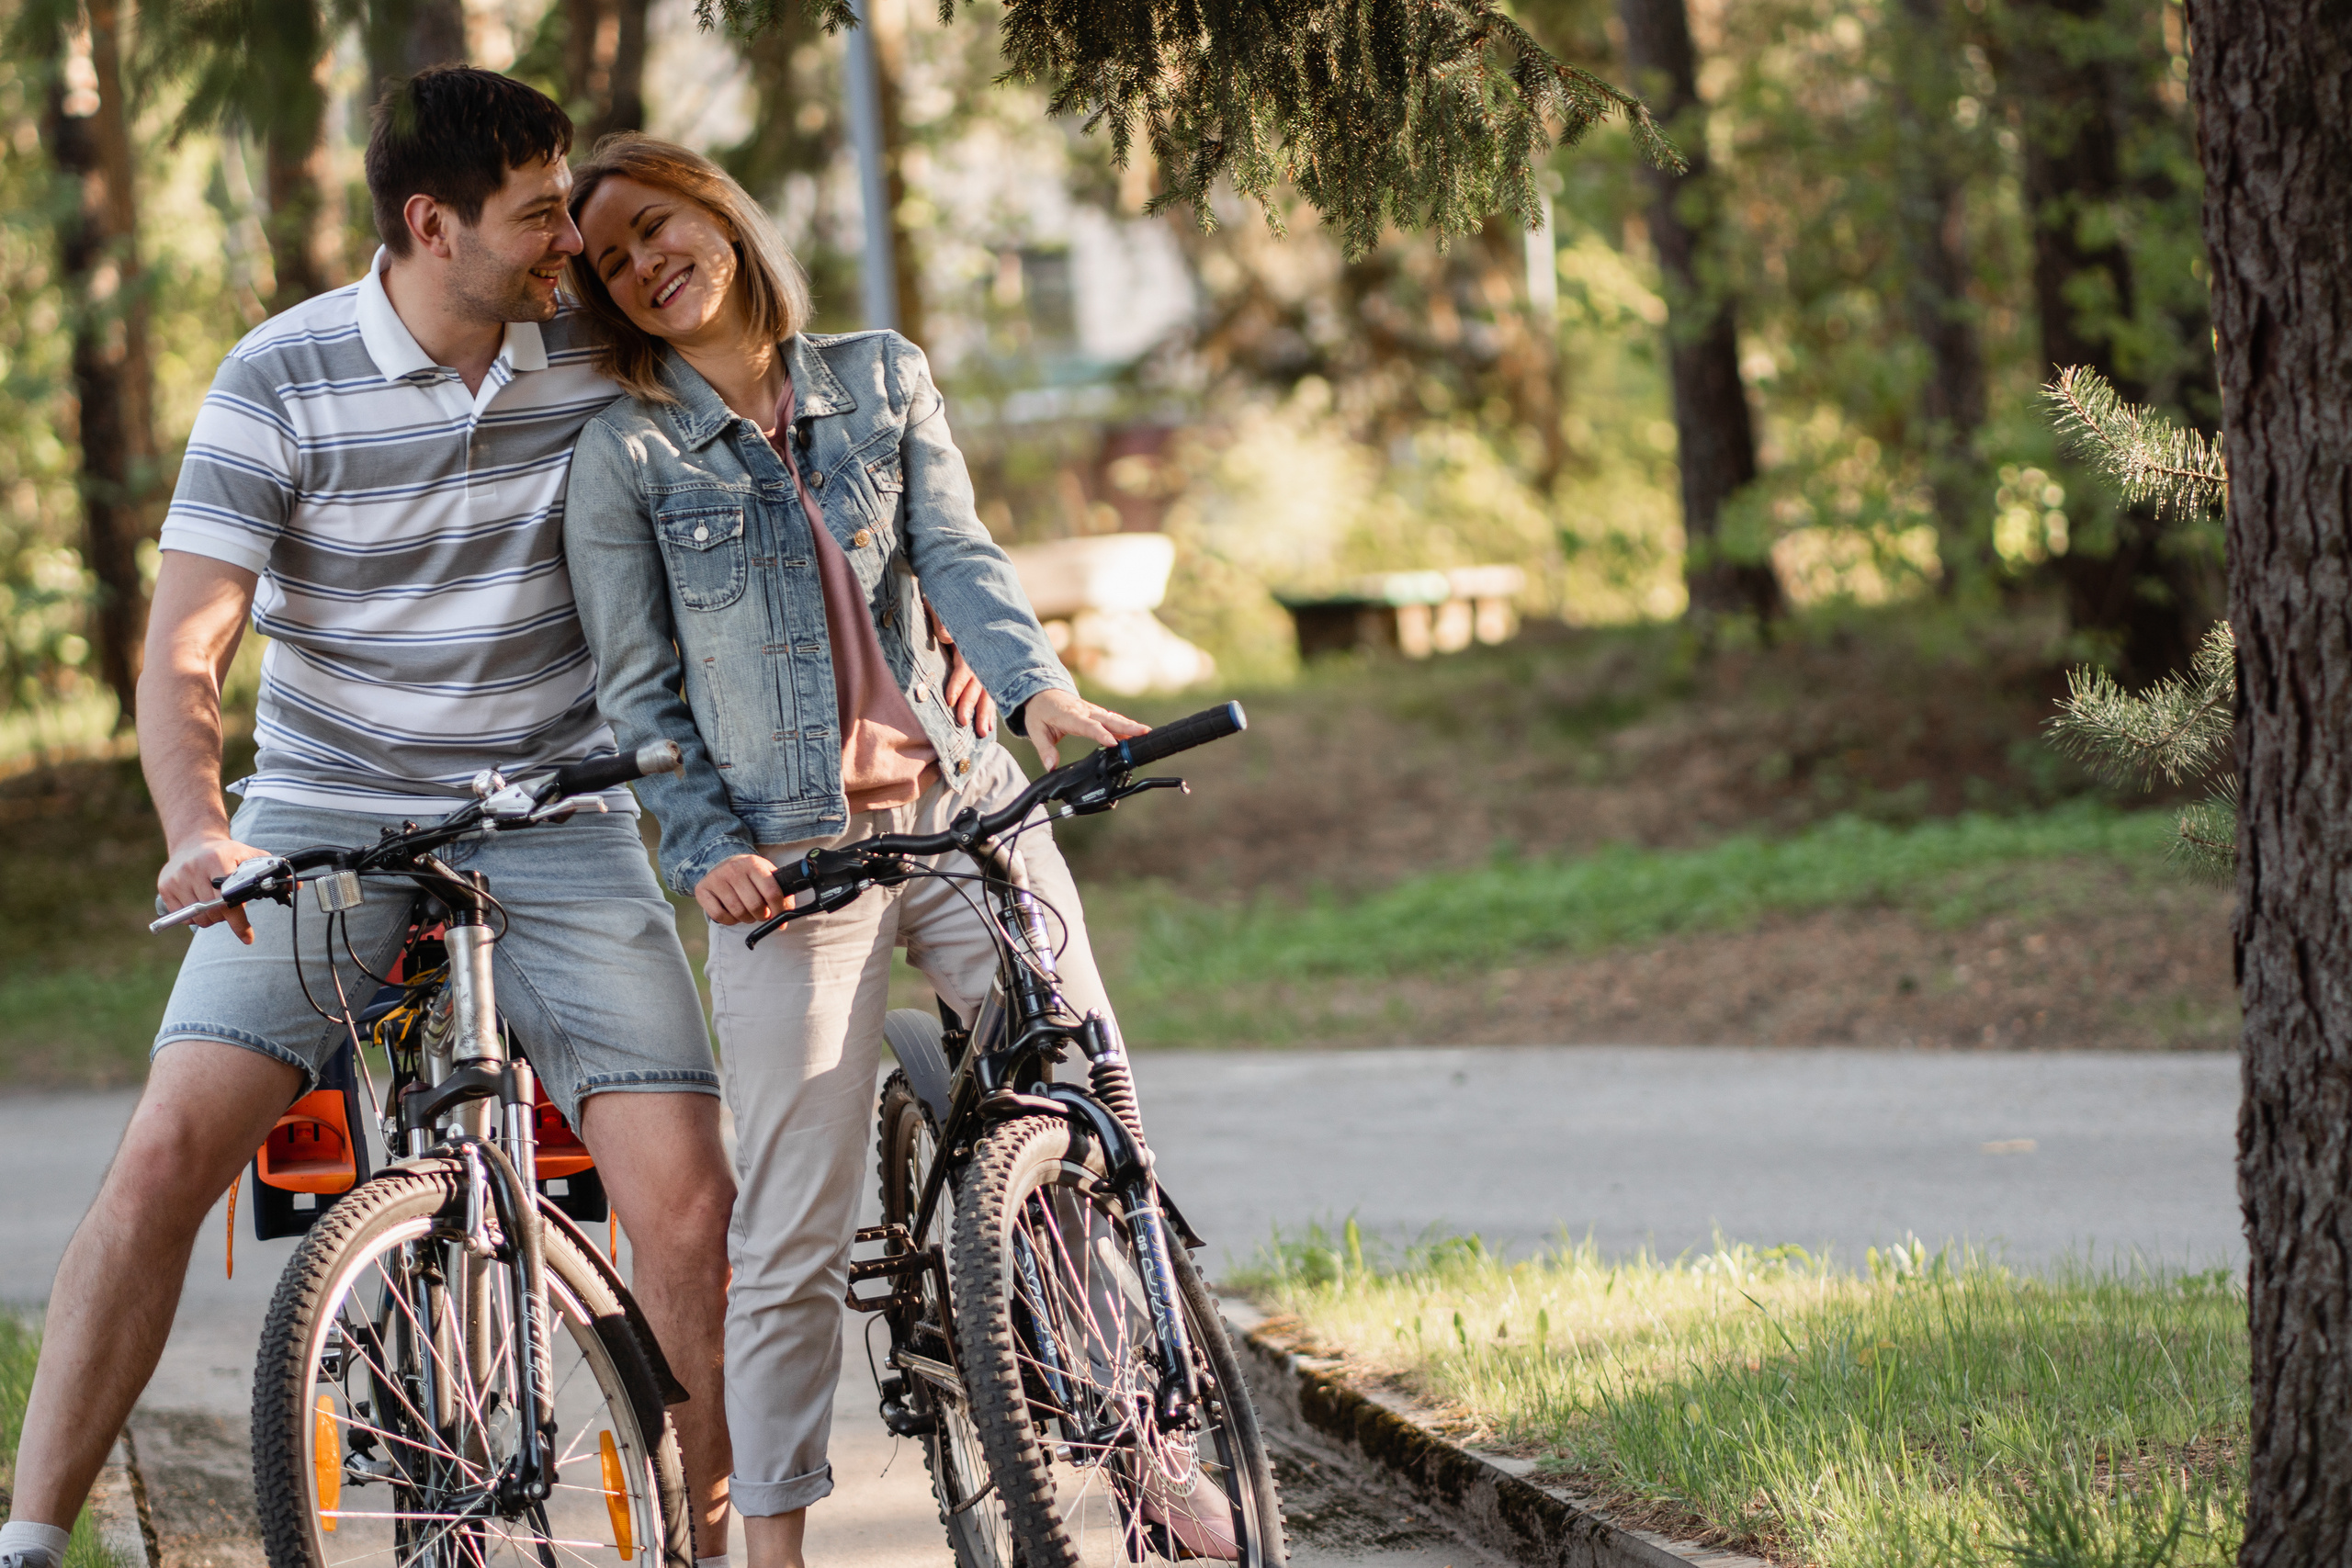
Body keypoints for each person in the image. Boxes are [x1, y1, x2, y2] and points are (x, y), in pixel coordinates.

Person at [0, 71, 744, 1568]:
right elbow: (186, 648)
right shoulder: (278, 377)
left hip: (561, 809)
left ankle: (711, 1548)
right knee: (159, 1162)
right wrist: (201, 830)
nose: (569, 244)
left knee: (685, 1204)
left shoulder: (596, 352)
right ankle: (24, 1539)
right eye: (540, 215)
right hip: (329, 810)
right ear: (431, 224)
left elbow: (776, 449)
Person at [560, 134, 1147, 1568]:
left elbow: (958, 557)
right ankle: (773, 1553)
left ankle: (1148, 1441)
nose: (645, 266)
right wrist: (703, 844)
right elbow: (637, 696)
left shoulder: (880, 375)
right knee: (792, 1244)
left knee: (1088, 1096)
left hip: (957, 804)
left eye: (658, 226)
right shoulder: (623, 453)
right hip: (788, 865)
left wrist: (1031, 685)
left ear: (718, 209)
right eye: (613, 262)